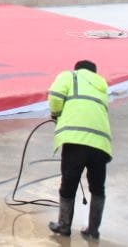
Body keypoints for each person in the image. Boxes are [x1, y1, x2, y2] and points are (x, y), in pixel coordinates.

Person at [47, 59, 112, 239]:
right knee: (98, 188)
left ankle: (64, 226)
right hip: (101, 144)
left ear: (77, 69)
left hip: (76, 139)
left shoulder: (70, 76)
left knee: (69, 184)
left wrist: (56, 113)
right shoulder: (102, 87)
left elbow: (55, 96)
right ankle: (93, 230)